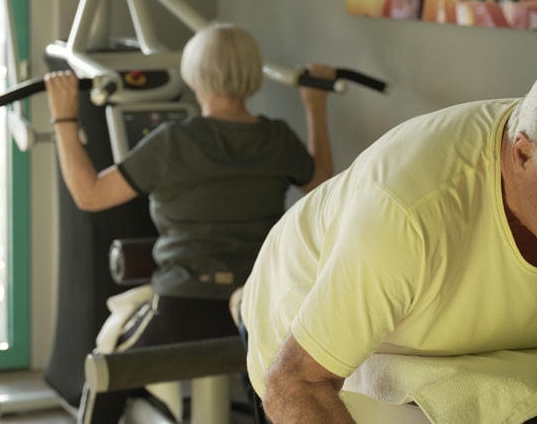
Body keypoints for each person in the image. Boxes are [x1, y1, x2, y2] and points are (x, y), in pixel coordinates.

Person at [239, 48, 537, 423]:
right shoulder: (406, 213)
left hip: (477, 335)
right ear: (523, 155)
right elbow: (295, 383)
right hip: (307, 340)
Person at [43, 22, 336, 424]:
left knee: (106, 369)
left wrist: (63, 118)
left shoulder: (172, 142)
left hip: (183, 309)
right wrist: (315, 105)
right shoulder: (278, 139)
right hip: (254, 309)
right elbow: (322, 184)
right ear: (252, 75)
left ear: (194, 74)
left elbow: (89, 194)